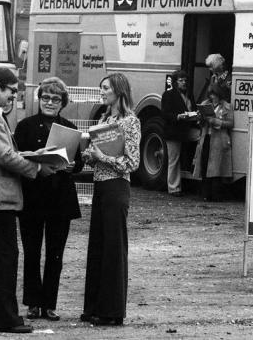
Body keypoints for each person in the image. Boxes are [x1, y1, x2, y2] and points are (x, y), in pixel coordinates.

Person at [0, 68, 57, 334]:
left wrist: (32, 153)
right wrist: (37, 168)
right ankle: (5, 318)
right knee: (6, 257)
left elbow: (5, 151)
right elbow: (5, 156)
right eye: (11, 91)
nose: (13, 97)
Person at [13, 77, 84, 323]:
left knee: (56, 254)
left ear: (62, 102)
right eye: (45, 97)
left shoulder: (69, 127)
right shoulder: (25, 126)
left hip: (59, 199)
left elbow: (79, 163)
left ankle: (50, 304)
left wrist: (74, 165)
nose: (50, 102)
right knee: (31, 253)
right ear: (39, 98)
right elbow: (17, 157)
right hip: (32, 197)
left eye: (55, 99)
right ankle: (33, 303)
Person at [80, 73, 140, 327]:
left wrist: (102, 157)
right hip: (101, 186)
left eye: (105, 88)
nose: (102, 92)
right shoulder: (105, 119)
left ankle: (112, 310)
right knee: (98, 246)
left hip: (117, 188)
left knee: (114, 247)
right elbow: (101, 156)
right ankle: (94, 305)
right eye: (101, 87)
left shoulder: (130, 122)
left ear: (118, 90)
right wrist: (89, 156)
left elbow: (132, 162)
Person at [193, 83, 233, 202]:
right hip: (206, 138)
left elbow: (231, 123)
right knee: (205, 166)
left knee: (216, 168)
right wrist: (200, 118)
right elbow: (199, 122)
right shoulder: (205, 104)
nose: (212, 97)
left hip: (219, 140)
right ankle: (205, 194)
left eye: (214, 94)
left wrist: (216, 121)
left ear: (219, 94)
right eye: (210, 94)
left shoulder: (227, 106)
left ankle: (215, 195)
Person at [161, 70, 198, 197]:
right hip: (174, 131)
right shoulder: (168, 95)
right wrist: (178, 116)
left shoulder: (189, 95)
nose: (184, 83)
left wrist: (195, 115)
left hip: (186, 129)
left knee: (202, 137)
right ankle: (173, 188)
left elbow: (193, 109)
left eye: (185, 80)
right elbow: (165, 114)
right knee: (174, 159)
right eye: (181, 80)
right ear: (175, 82)